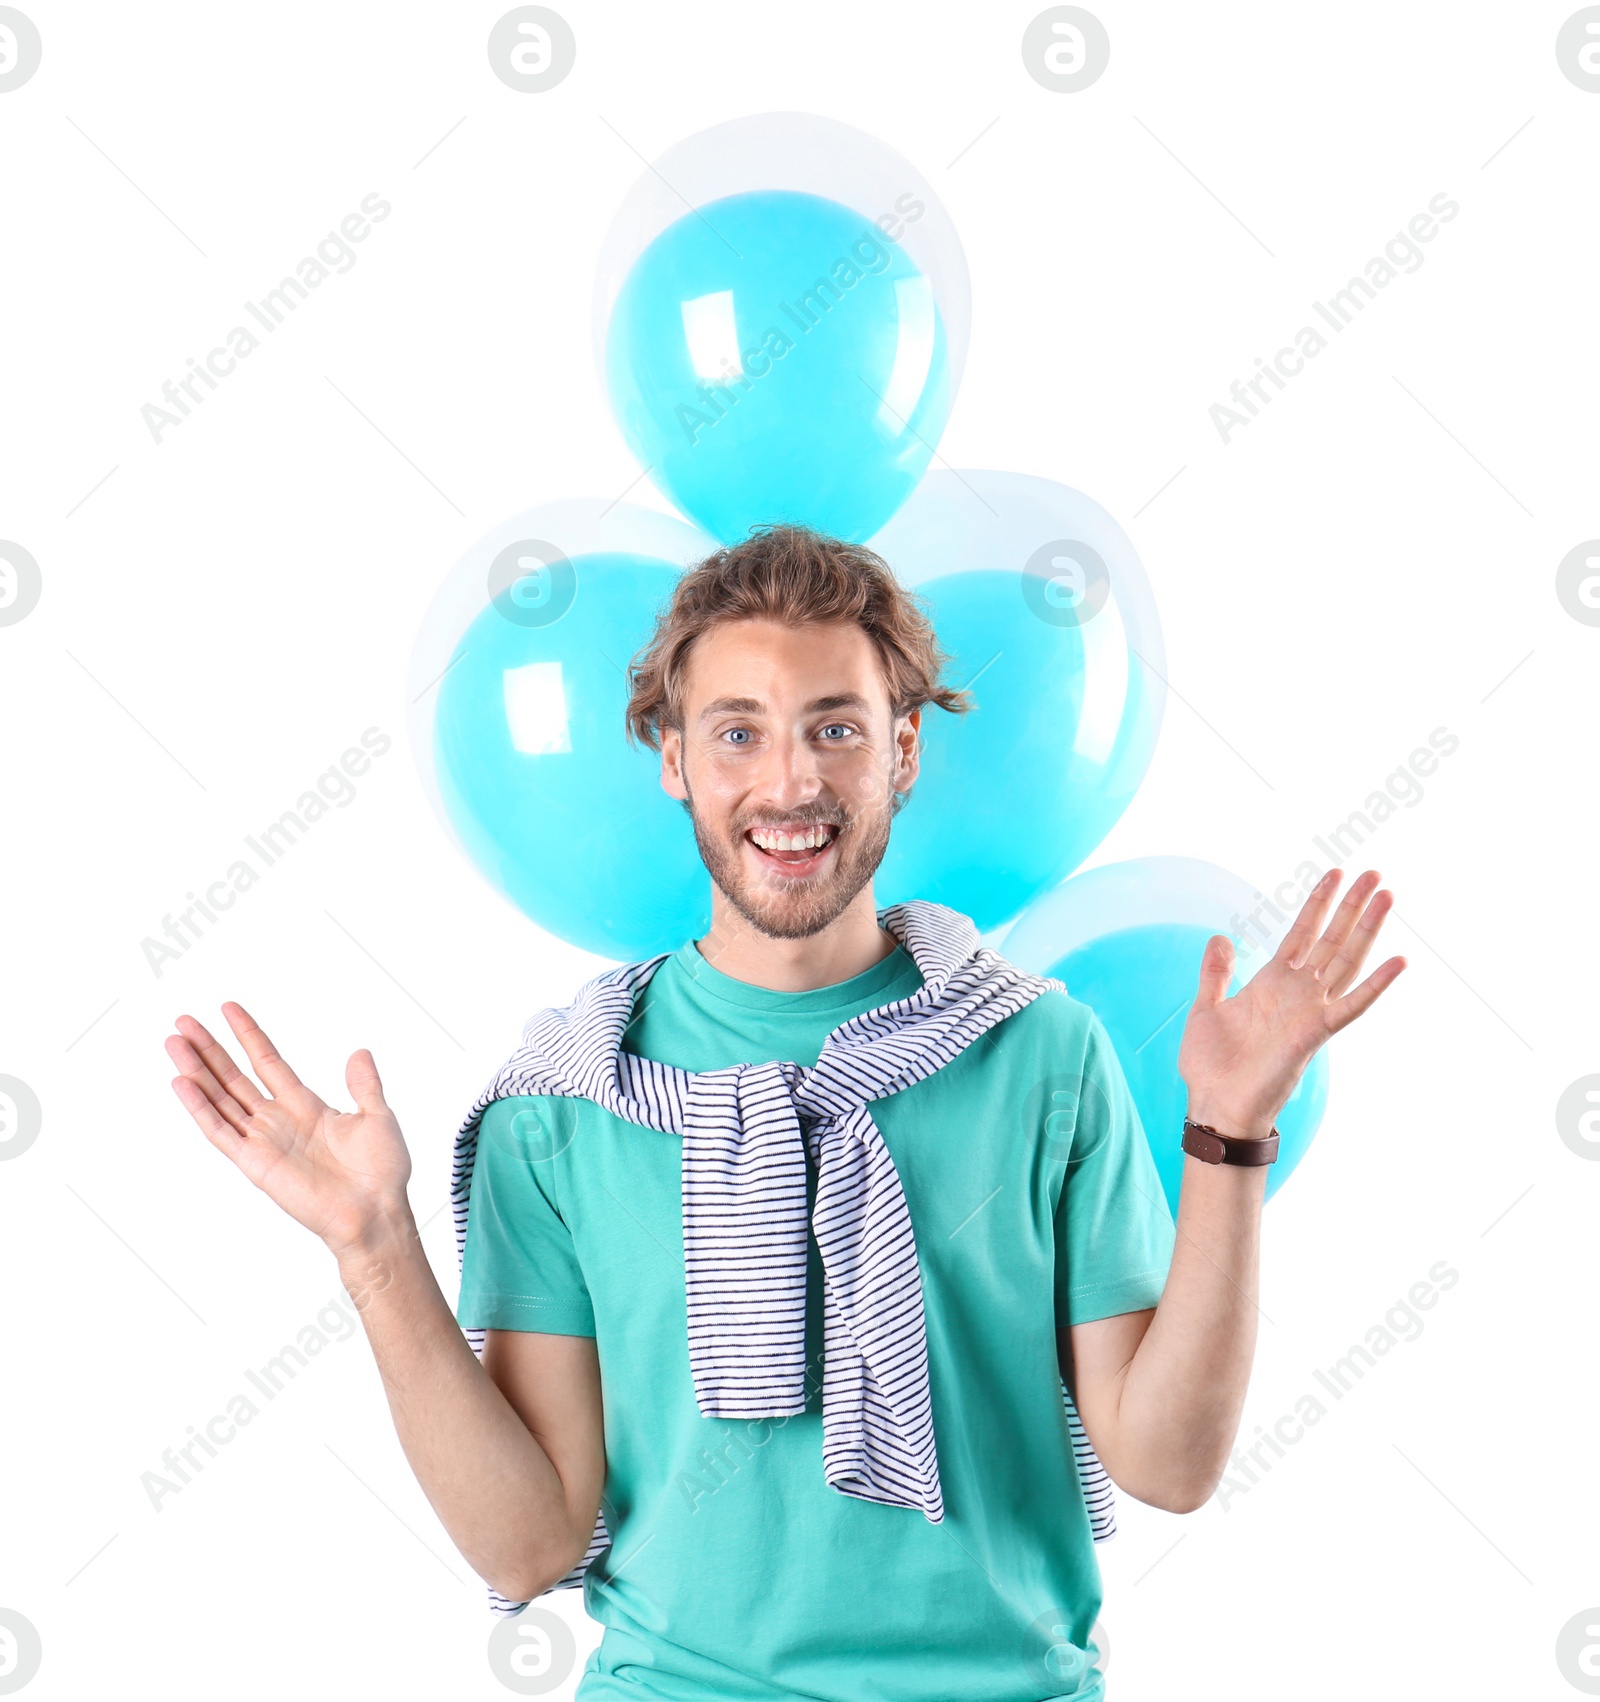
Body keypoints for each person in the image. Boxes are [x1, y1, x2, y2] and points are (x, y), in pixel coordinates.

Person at [165, 525, 1405, 1701]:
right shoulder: (566, 1102)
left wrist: (1232, 1136)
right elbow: (528, 1545)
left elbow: (1169, 1465)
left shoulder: (1042, 1053)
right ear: (675, 759)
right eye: (739, 733)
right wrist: (374, 1250)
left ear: (903, 750)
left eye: (835, 728)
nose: (792, 781)